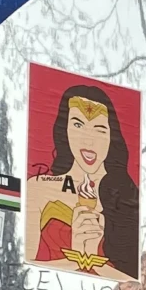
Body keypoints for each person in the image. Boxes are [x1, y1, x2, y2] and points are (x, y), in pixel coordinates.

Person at [34, 81, 139, 274]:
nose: (89, 140)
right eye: (78, 125)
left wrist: (93, 257)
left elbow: (138, 287)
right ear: (64, 130)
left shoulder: (128, 199)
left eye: (100, 129)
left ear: (111, 137)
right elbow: (19, 273)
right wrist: (76, 257)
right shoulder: (38, 189)